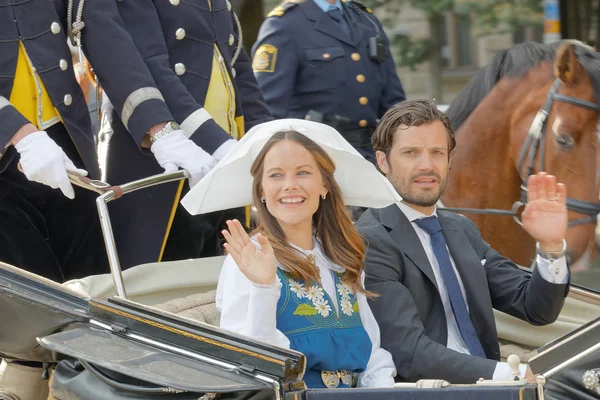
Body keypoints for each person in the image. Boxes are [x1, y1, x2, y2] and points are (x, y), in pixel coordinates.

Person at [0, 0, 215, 398]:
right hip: (12, 151)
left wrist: (160, 130)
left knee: (80, 305)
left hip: (64, 145)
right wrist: (16, 131)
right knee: (21, 316)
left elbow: (106, 38)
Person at [355, 99, 570, 384]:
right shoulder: (370, 239)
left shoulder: (460, 228)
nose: (427, 165)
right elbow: (408, 351)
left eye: (436, 152)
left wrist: (551, 246)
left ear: (449, 160)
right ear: (383, 161)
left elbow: (536, 308)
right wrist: (506, 374)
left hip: (491, 386)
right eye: (411, 153)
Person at [215, 125, 396, 389]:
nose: (290, 185)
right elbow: (251, 364)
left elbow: (372, 356)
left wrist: (385, 394)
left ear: (324, 185)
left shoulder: (342, 255)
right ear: (262, 191)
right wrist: (263, 287)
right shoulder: (245, 258)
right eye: (276, 175)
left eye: (303, 172)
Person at [107, 0, 273, 269]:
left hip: (226, 162)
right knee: (164, 286)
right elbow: (150, 70)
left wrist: (268, 141)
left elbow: (239, 73)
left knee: (221, 283)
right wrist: (217, 144)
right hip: (170, 165)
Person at [251, 0, 406, 165]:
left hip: (370, 155)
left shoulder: (366, 19)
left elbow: (393, 103)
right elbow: (268, 109)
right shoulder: (284, 24)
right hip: (314, 156)